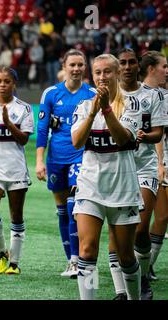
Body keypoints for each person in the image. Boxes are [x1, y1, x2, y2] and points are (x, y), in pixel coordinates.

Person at [72, 53, 142, 300]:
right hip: (90, 188)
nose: (102, 76)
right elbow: (77, 141)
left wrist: (106, 109)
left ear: (117, 73)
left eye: (107, 71)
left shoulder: (132, 105)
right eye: (98, 72)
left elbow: (123, 139)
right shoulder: (83, 106)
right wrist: (92, 113)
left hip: (122, 189)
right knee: (87, 250)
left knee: (126, 257)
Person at [107, 49, 167, 300]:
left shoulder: (152, 95)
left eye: (132, 62)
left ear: (138, 66)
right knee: (116, 232)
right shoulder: (109, 95)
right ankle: (122, 290)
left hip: (144, 168)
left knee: (140, 229)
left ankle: (143, 276)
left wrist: (144, 137)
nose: (128, 66)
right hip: (115, 169)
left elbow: (158, 133)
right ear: (118, 67)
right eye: (123, 63)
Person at [36, 49, 96, 278]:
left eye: (81, 64)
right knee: (62, 211)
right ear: (64, 66)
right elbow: (42, 130)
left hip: (80, 156)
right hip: (55, 158)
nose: (77, 69)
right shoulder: (51, 94)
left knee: (73, 208)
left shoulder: (91, 93)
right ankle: (70, 261)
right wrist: (40, 160)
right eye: (73, 64)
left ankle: (78, 260)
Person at [0, 67, 33, 275]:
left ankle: (15, 263)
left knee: (16, 216)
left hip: (16, 169)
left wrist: (8, 123)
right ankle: (2, 252)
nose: (2, 85)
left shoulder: (24, 108)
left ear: (14, 84)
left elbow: (24, 139)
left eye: (7, 81)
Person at [150, 77, 168, 281]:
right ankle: (146, 265)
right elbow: (159, 134)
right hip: (160, 161)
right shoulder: (158, 97)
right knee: (162, 216)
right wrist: (160, 162)